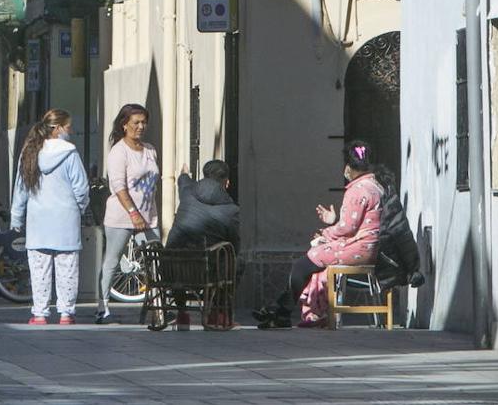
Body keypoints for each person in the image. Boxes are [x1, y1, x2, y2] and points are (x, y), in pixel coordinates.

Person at [253, 140, 384, 329]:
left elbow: (348, 227)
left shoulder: (357, 190)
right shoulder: (375, 186)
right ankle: (298, 312)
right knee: (316, 264)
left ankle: (282, 311)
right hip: (368, 246)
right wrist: (333, 222)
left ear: (348, 166)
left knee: (304, 263)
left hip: (359, 248)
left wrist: (327, 232)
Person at [10, 109, 90, 325]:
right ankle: (66, 313)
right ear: (58, 128)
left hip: (38, 220)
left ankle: (40, 313)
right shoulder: (70, 153)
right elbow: (81, 187)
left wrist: (16, 217)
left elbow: (21, 188)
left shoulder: (30, 152)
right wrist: (80, 208)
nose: (70, 131)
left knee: (39, 270)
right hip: (66, 219)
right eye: (68, 127)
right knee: (68, 269)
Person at [95, 103, 160, 324]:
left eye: (143, 122)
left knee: (156, 261)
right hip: (122, 216)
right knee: (112, 261)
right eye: (136, 123)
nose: (141, 126)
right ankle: (102, 308)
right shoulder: (118, 151)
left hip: (149, 216)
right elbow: (118, 186)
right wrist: (133, 213)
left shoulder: (150, 149)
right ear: (124, 125)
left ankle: (158, 308)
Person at [164, 159, 240, 329]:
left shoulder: (188, 192)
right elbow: (236, 245)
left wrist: (184, 173)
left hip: (172, 268)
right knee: (233, 262)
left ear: (204, 177)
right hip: (206, 271)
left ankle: (182, 314)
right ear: (227, 182)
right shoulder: (231, 211)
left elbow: (183, 180)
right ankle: (217, 313)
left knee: (181, 258)